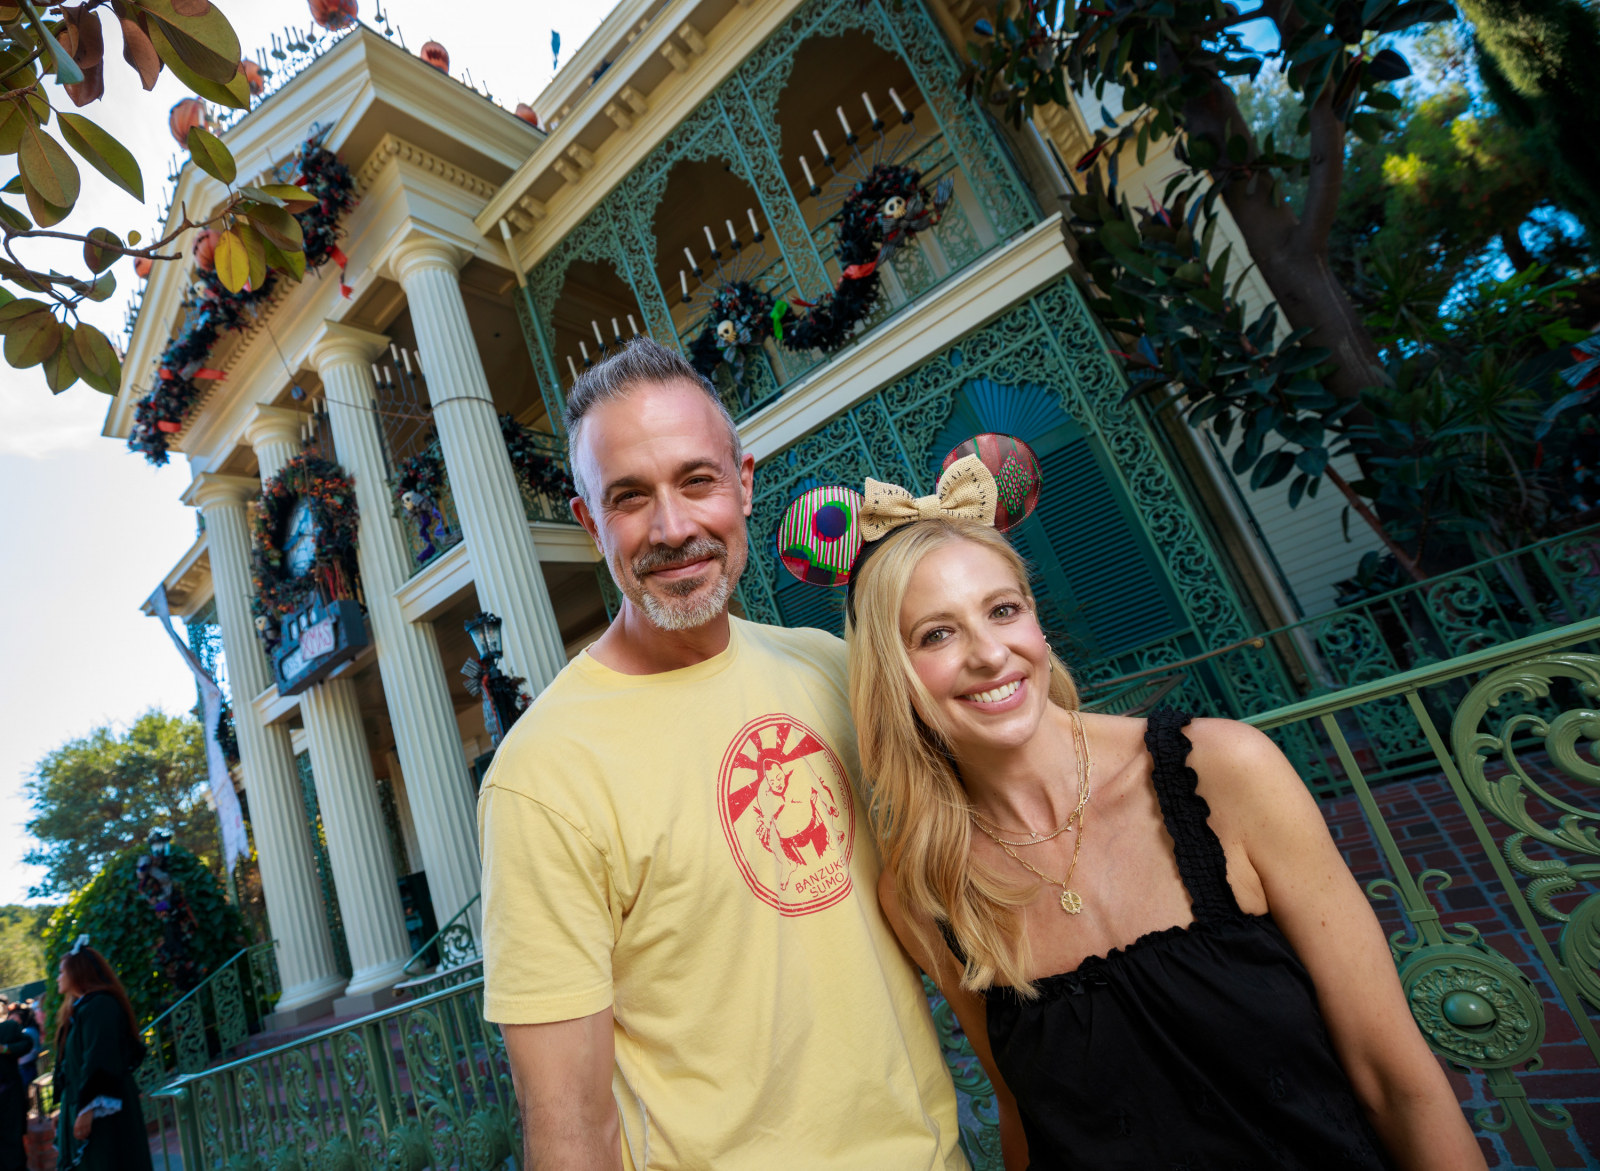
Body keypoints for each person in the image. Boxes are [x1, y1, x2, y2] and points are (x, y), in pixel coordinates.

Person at [841, 467, 1488, 1170]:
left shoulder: (1222, 772)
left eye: (1003, 611)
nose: (990, 653)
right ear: (892, 674)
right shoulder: (924, 891)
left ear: (1036, 620)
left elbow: (1398, 1085)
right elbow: (1025, 1117)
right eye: (937, 634)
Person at [478, 338, 967, 1170]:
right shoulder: (541, 777)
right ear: (591, 523)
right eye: (630, 498)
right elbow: (567, 1126)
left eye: (697, 480)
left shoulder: (831, 666)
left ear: (744, 481)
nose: (673, 528)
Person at [51, 942, 153, 1171]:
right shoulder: (81, 1010)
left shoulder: (100, 1005)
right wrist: (65, 1108)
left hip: (103, 1113)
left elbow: (100, 1059)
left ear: (78, 972)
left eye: (61, 972)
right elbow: (72, 1067)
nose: (58, 978)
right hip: (83, 1108)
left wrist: (87, 1110)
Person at [0, 1004, 28, 1171]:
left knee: (13, 1147)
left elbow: (28, 1044)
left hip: (8, 1099)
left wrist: (6, 1049)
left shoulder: (9, 1028)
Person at [9, 1005, 38, 1090]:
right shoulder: (31, 1030)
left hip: (27, 1067)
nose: (11, 1022)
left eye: (13, 1019)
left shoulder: (26, 1032)